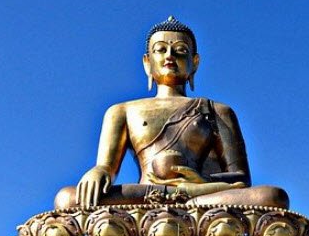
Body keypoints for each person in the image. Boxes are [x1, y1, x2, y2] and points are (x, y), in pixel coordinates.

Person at [53, 17, 288, 210]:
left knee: (271, 197)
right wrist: (99, 171)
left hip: (202, 194)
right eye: (160, 50)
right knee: (67, 199)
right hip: (145, 195)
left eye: (180, 50)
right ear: (147, 62)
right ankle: (186, 208)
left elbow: (241, 180)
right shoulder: (121, 111)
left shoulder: (217, 111)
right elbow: (107, 168)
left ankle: (188, 205)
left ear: (194, 63)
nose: (169, 57)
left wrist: (200, 185)